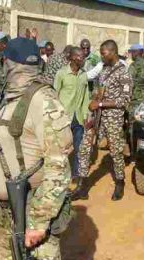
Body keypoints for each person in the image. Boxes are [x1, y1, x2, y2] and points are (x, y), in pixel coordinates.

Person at [0, 37, 72, 260]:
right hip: (4, 215)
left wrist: (39, 222)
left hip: (31, 215)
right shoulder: (7, 96)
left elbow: (59, 166)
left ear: (8, 64)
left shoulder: (43, 101)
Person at [71, 40, 132, 201]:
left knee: (115, 151)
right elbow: (99, 90)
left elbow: (125, 101)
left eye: (103, 53)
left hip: (113, 118)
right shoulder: (103, 69)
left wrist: (100, 103)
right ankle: (82, 187)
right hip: (97, 116)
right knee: (84, 148)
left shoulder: (124, 72)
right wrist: (94, 104)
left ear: (112, 52)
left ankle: (120, 182)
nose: (101, 57)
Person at [54, 47, 91, 181]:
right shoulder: (61, 74)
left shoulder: (83, 75)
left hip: (79, 117)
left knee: (78, 147)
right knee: (61, 147)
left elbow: (86, 96)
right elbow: (55, 95)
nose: (83, 59)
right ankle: (59, 173)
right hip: (64, 117)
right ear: (74, 58)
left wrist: (86, 114)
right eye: (81, 56)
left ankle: (75, 173)